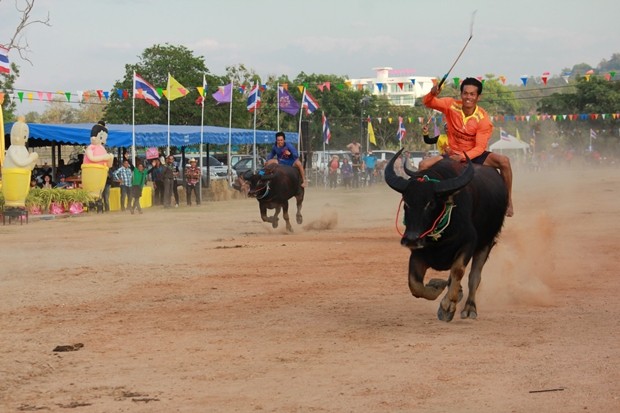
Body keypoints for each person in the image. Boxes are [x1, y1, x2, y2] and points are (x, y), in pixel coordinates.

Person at [422, 77, 514, 217]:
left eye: (472, 94)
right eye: (465, 93)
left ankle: (508, 200)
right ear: (461, 94)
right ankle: (421, 202)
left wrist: (462, 157)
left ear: (478, 97)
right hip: (452, 153)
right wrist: (432, 93)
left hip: (473, 155)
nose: (468, 97)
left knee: (504, 162)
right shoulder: (450, 105)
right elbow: (428, 102)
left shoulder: (483, 119)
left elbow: (479, 148)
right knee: (423, 165)